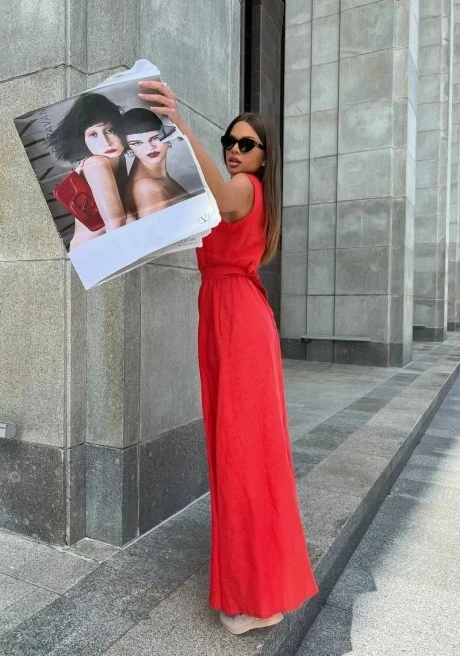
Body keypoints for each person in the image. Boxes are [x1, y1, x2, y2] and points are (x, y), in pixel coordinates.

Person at [138, 80, 319, 635]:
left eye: (246, 144)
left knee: (241, 455)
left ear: (264, 158)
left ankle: (253, 598)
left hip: (237, 322)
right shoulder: (236, 191)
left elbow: (220, 197)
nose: (235, 150)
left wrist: (179, 123)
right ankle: (257, 587)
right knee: (241, 452)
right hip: (227, 319)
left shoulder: (243, 187)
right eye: (229, 141)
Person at [48, 93, 129, 250]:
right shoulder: (97, 163)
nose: (105, 142)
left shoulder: (117, 160)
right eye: (93, 134)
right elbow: (116, 223)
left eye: (110, 130)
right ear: (83, 140)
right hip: (94, 252)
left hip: (97, 248)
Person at [120, 108, 191, 220]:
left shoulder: (152, 173)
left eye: (155, 138)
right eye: (137, 143)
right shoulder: (146, 187)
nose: (150, 147)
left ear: (167, 135)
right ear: (129, 148)